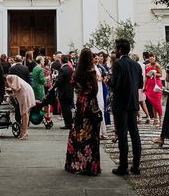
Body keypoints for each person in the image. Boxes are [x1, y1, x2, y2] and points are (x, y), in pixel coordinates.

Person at [64, 48, 101, 176]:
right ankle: (90, 165)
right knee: (91, 134)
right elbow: (95, 90)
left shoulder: (76, 72)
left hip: (80, 103)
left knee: (78, 132)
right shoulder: (91, 72)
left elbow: (73, 85)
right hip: (90, 103)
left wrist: (81, 92)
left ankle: (75, 163)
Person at [108, 38, 142, 176]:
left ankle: (123, 166)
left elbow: (115, 85)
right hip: (133, 102)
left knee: (122, 134)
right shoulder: (136, 65)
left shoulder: (118, 64)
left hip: (121, 103)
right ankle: (136, 165)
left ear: (120, 49)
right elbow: (140, 84)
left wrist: (108, 81)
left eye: (116, 48)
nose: (115, 50)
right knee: (134, 134)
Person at [6, 74, 35, 140]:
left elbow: (16, 87)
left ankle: (24, 131)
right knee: (25, 112)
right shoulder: (11, 78)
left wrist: (9, 89)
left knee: (24, 113)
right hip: (25, 91)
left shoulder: (9, 77)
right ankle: (24, 131)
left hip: (25, 93)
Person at [54, 54, 75, 130]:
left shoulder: (62, 69)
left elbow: (60, 81)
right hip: (70, 91)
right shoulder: (70, 68)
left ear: (61, 61)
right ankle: (70, 123)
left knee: (64, 109)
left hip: (63, 92)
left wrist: (55, 84)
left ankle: (67, 124)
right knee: (68, 108)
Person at [143, 54, 163, 128]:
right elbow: (146, 77)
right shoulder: (147, 66)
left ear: (155, 58)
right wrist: (144, 86)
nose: (151, 58)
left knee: (158, 103)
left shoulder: (157, 65)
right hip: (150, 86)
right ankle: (155, 119)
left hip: (156, 85)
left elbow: (161, 74)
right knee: (153, 103)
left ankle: (160, 121)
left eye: (153, 57)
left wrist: (154, 73)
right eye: (150, 57)